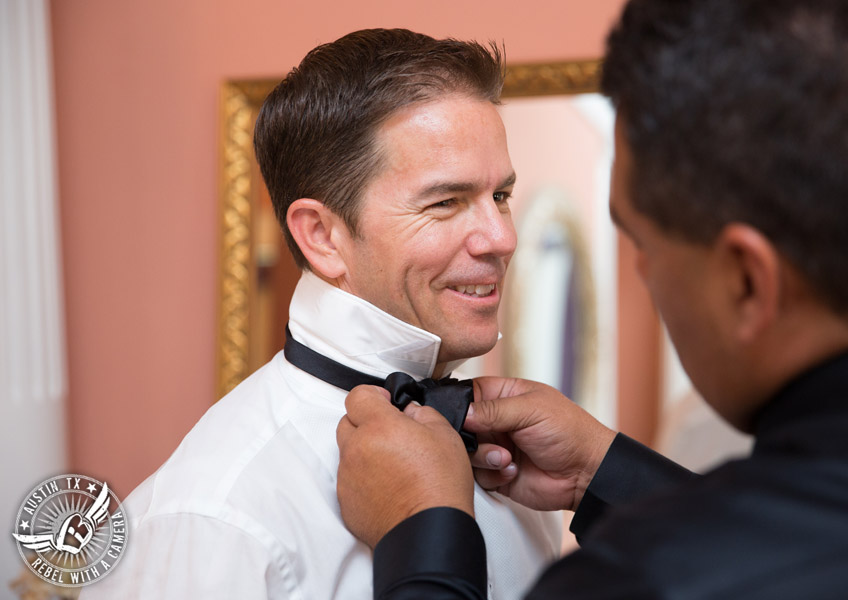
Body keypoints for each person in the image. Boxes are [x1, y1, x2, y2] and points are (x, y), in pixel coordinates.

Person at [335, 1, 848, 598]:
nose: (505, 240)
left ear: (747, 281)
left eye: (644, 244)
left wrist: (422, 541)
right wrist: (606, 472)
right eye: (446, 201)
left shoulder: (639, 581)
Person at [81, 29, 561, 599]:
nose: (502, 238)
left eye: (500, 196)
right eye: (446, 202)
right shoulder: (215, 519)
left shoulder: (513, 468)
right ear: (322, 237)